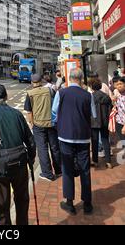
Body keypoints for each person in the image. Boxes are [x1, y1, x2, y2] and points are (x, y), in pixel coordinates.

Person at [0, 85, 36, 226]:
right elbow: (30, 139)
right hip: (20, 163)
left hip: (0, 166)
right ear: (6, 96)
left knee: (2, 205)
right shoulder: (17, 114)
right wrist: (31, 158)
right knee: (22, 200)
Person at [52, 68, 96, 216]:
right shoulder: (88, 95)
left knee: (67, 169)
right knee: (85, 169)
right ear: (81, 78)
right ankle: (87, 203)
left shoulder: (61, 93)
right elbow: (93, 114)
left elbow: (54, 112)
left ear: (69, 78)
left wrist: (60, 121)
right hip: (83, 137)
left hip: (65, 136)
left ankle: (69, 202)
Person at [24, 74, 61, 181]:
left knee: (42, 149)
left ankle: (47, 173)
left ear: (32, 83)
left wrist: (31, 123)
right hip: (51, 123)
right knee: (54, 147)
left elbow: (29, 111)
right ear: (41, 81)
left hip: (38, 125)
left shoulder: (30, 94)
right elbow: (56, 106)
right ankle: (59, 170)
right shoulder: (50, 91)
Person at [88, 79, 113, 169]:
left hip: (93, 122)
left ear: (91, 87)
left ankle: (95, 161)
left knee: (94, 141)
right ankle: (108, 161)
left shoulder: (90, 96)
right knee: (105, 140)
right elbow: (111, 107)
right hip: (105, 121)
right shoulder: (106, 96)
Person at [114, 77, 125, 146]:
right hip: (119, 122)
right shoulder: (118, 95)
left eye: (121, 84)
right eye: (117, 84)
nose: (119, 86)